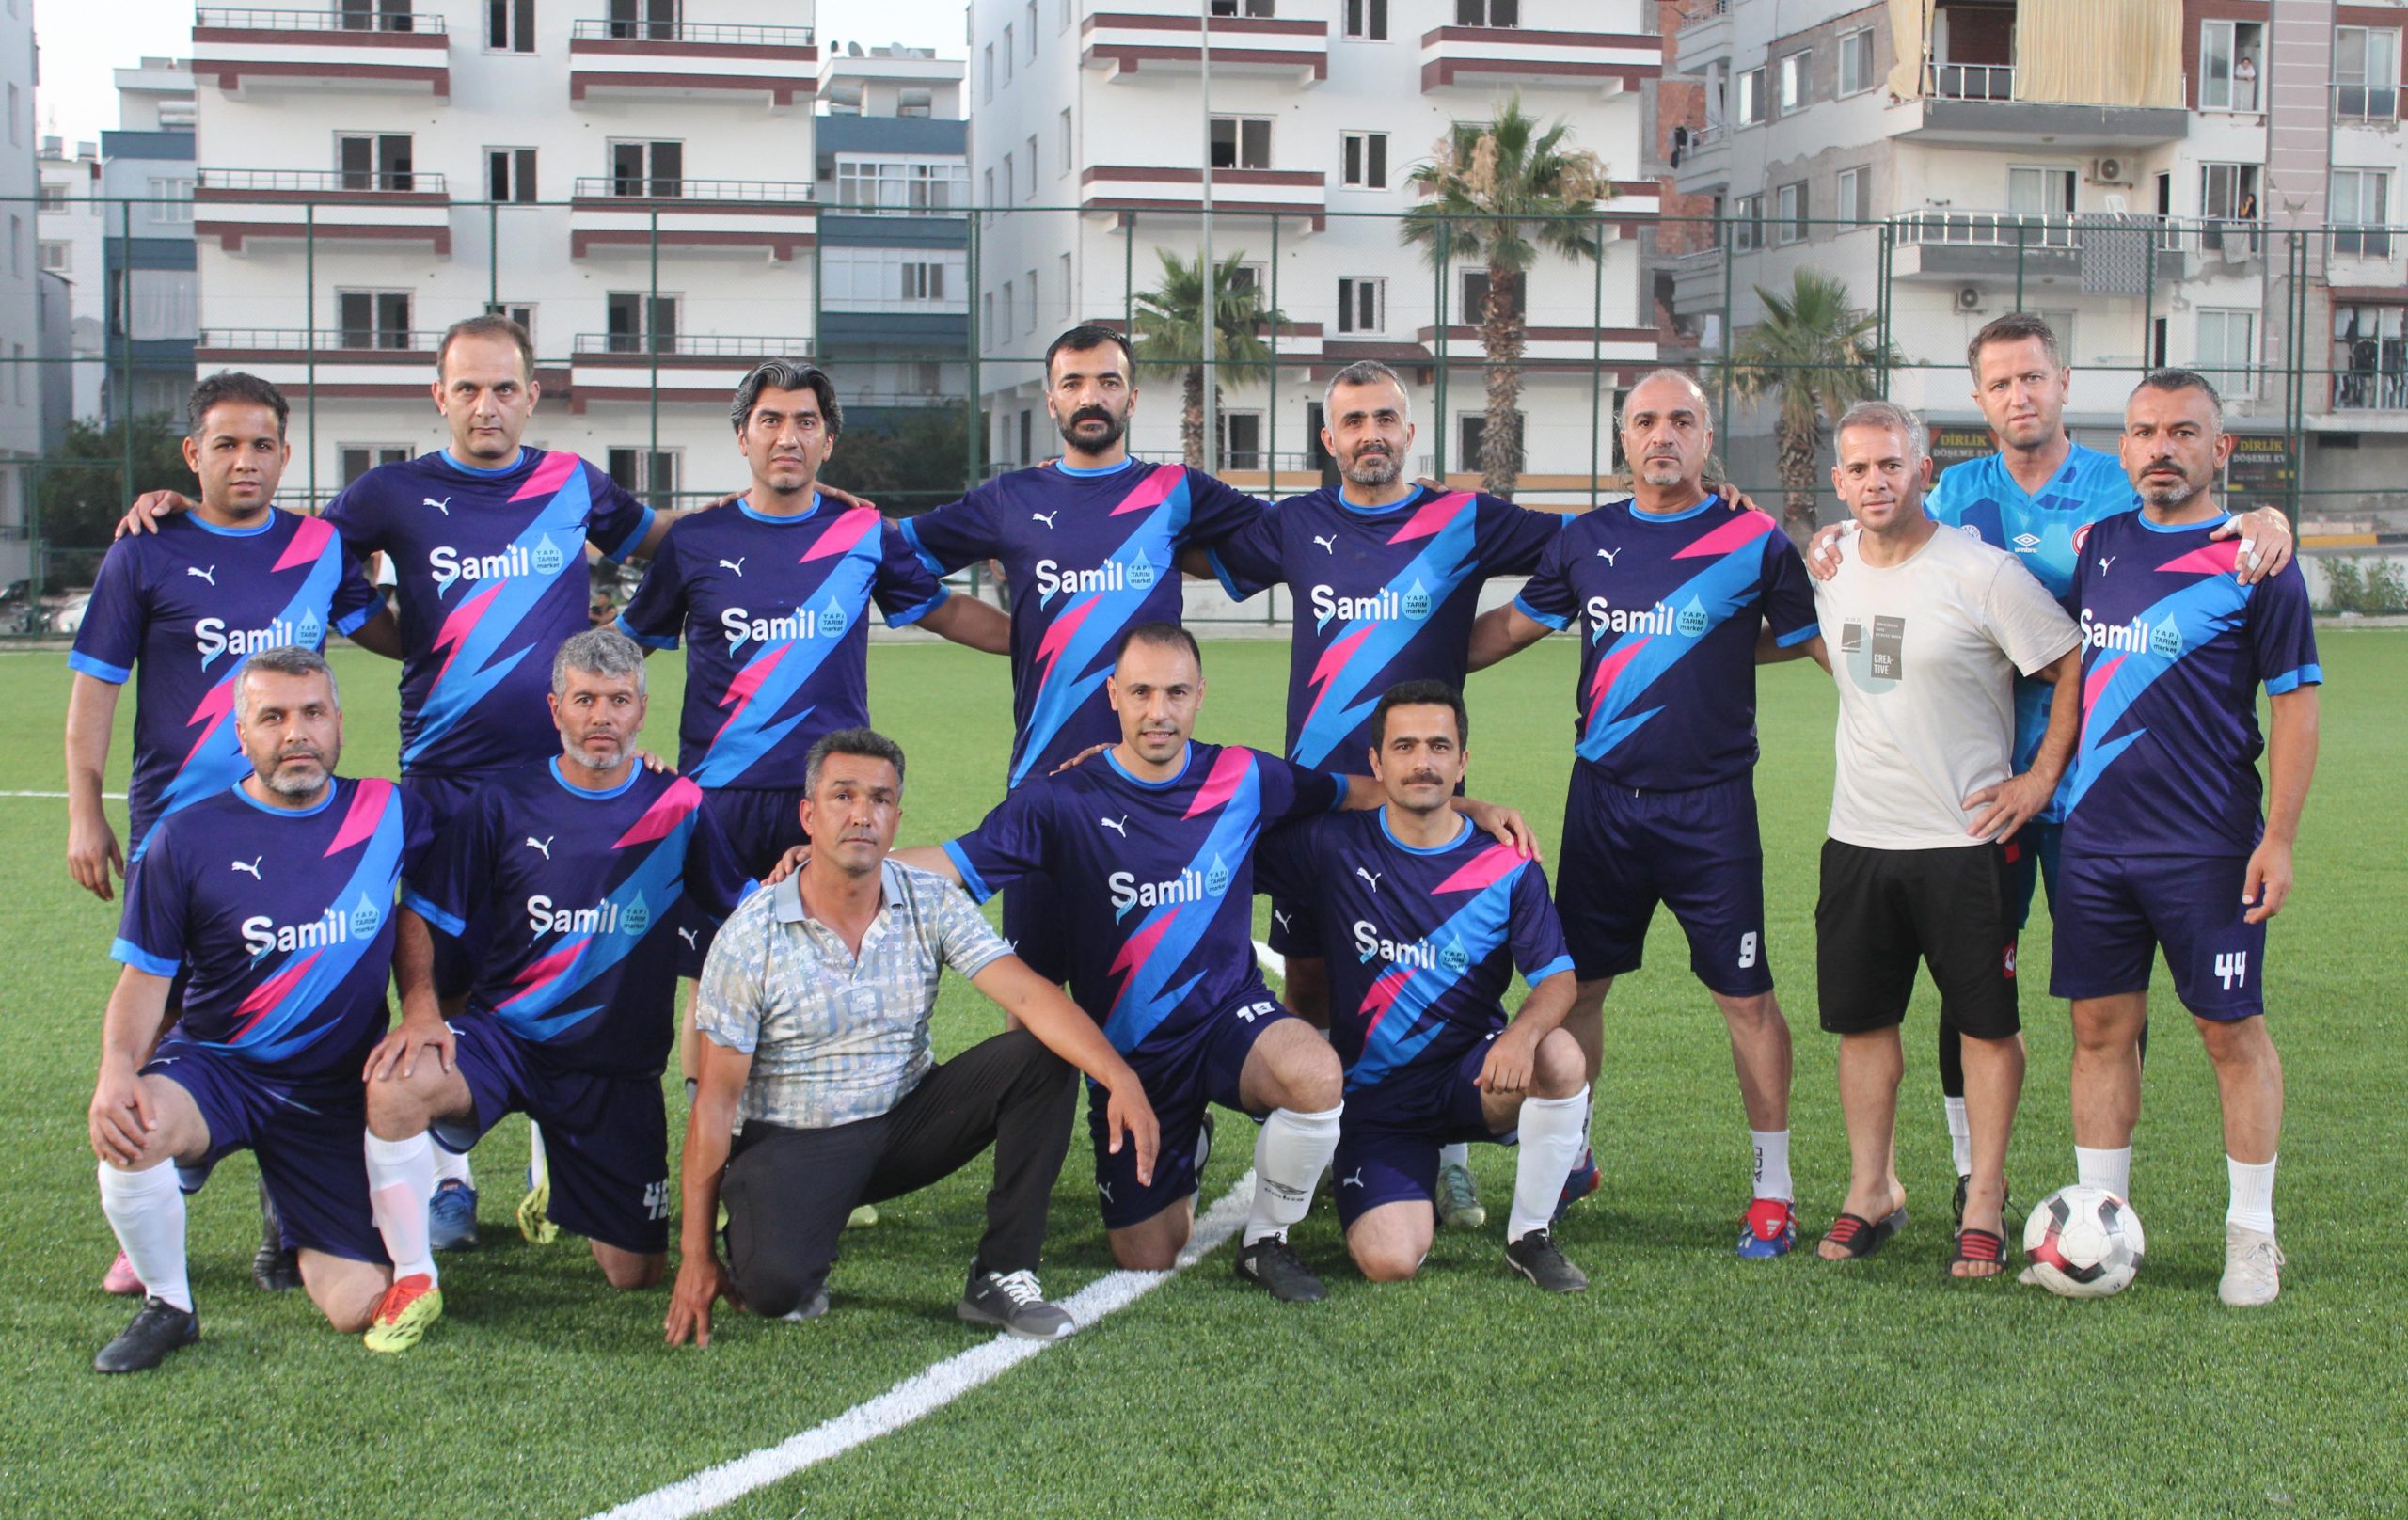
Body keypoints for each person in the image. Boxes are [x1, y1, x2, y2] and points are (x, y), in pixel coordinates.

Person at [113, 314, 711, 1247]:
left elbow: (659, 537)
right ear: (439, 396)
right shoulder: (389, 491)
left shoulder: (571, 481)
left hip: (558, 780)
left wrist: (775, 504)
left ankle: (557, 1163)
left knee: (568, 952)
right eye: (467, 388)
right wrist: (186, 507)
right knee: (443, 975)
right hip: (443, 777)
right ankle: (448, 1182)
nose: (486, 405)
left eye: (504, 387)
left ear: (532, 396)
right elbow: (284, 544)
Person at [1805, 314, 2295, 1224]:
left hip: (2096, 794)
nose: (2019, 396)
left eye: (2033, 377)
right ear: (1979, 398)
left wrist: (2268, 519)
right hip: (1983, 790)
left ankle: (2112, 1200)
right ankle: (1970, 1175)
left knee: (2109, 1007)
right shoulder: (1956, 490)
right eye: (2000, 383)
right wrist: (1832, 535)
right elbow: (1890, 530)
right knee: (1973, 985)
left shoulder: (2121, 483)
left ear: (2064, 383)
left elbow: (2203, 523)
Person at [900, 623, 1531, 1302]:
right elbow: (951, 864)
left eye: (1176, 692)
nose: (1159, 711)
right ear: (1112, 695)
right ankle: (1191, 1142)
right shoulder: (1060, 800)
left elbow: (1351, 791)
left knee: (1315, 1072)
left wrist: (1466, 805)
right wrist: (843, 867)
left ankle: (1265, 1242)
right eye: (1141, 692)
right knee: (1148, 1253)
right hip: (1136, 1055)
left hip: (1231, 1017)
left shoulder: (1244, 775)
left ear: (1200, 694)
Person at [1196, 359, 1568, 1230]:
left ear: (1410, 431)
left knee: (1440, 981)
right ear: (1329, 439)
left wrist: (1488, 637)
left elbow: (1587, 550)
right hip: (1322, 803)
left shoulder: (1464, 518)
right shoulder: (1295, 525)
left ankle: (1448, 1152)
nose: (1371, 435)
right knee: (1311, 979)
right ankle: (1324, 1135)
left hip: (1421, 799)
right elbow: (1185, 553)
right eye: (1353, 421)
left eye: (1385, 419)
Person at [1462, 370, 1820, 1258]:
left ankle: (1772, 1190)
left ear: (1707, 439)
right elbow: (1511, 628)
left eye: (1682, 421)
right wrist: (1407, 659)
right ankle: (1573, 1154)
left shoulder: (1754, 539)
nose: (1664, 435)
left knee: (1746, 998)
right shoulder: (1586, 540)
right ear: (1623, 438)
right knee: (1581, 986)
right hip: (1604, 804)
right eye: (1646, 421)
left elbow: (1808, 640)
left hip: (1713, 809)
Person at [665, 729, 1161, 1342]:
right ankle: (769, 1227)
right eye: (843, 796)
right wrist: (693, 1256)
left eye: (879, 799)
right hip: (796, 1140)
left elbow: (1030, 996)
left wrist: (1119, 1077)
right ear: (809, 815)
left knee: (1043, 1054)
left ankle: (1003, 1273)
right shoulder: (751, 935)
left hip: (904, 1122)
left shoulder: (930, 900)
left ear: (896, 819)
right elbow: (715, 1104)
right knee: (774, 1289)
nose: (861, 815)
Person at [68, 372, 394, 1297]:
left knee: (300, 1010)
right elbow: (96, 689)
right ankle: (150, 1201)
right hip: (179, 831)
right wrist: (85, 808)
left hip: (299, 826)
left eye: (260, 445)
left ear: (285, 455)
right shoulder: (146, 548)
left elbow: (389, 634)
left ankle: (289, 1224)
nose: (244, 461)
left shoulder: (320, 546)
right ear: (192, 455)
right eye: (225, 444)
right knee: (173, 1021)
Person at [355, 629, 754, 1353]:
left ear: (641, 711)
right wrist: (420, 1012)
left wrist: (807, 876)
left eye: (619, 701)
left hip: (614, 1070)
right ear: (555, 709)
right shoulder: (502, 801)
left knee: (634, 1274)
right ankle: (414, 1275)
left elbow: (743, 906)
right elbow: (423, 912)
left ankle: (563, 1176)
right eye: (585, 700)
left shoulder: (678, 804)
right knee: (394, 1087)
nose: (602, 717)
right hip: (506, 1042)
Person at [615, 359, 1010, 1088]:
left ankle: (818, 1140)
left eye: (806, 422)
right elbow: (623, 646)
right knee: (713, 982)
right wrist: (550, 683)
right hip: (719, 803)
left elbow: (945, 611)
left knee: (831, 978)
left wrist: (1047, 641)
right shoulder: (696, 540)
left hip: (830, 799)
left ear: (828, 441)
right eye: (770, 420)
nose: (787, 437)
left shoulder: (862, 532)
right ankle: (716, 1142)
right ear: (743, 436)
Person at [2051, 370, 2320, 1306]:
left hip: (2207, 846)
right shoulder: (2097, 546)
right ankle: (2101, 1227)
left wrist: (2278, 838)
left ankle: (2252, 1237)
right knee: (2099, 1030)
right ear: (2123, 446)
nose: (2160, 447)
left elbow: (2295, 706)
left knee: (2228, 1031)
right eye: (2143, 431)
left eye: (2182, 431)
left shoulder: (2256, 561)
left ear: (2220, 449)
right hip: (2093, 841)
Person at [87, 646, 431, 1371]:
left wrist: (422, 1005)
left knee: (357, 1304)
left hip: (332, 1092)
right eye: (272, 717)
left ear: (339, 723)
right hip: (219, 1069)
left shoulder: (391, 810)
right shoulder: (185, 837)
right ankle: (169, 1305)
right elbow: (144, 982)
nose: (296, 733)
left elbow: (437, 892)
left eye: (312, 713)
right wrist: (116, 1068)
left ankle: (291, 1207)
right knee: (131, 1129)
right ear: (240, 734)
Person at [892, 325, 1266, 985]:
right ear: (1052, 399)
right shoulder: (1012, 498)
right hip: (1044, 785)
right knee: (1032, 995)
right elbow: (887, 553)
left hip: (1153, 789)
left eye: (1108, 382)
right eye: (1073, 383)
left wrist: (1406, 503)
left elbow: (1300, 532)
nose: (1091, 397)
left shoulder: (1176, 491)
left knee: (1152, 988)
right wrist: (1015, 636)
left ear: (1132, 398)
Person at [1807, 400, 2082, 1276]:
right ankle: (1872, 1190)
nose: (1875, 481)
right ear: (1838, 481)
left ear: (1924, 470)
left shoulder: (1982, 572)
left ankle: (1985, 1197)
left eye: (1891, 464)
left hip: (1965, 841)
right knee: (1863, 1026)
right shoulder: (1831, 565)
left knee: (1985, 1026)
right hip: (1858, 837)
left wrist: (2038, 780)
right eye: (1858, 468)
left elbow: (2068, 660)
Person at [1253, 680, 1591, 1291]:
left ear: (1462, 762)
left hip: (1471, 1078)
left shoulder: (1507, 863)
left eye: (1439, 746)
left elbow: (1558, 978)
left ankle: (1530, 1236)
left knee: (1559, 1055)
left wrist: (1521, 1036)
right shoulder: (1331, 846)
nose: (1422, 762)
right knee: (1389, 1261)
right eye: (1404, 747)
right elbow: (1222, 843)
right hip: (1376, 1102)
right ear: (1377, 762)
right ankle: (1396, 1176)